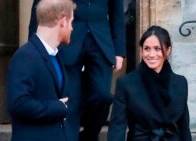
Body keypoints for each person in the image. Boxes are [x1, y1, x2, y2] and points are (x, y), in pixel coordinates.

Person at [28, 0, 126, 141]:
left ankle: (88, 136)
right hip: (67, 38)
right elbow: (40, 4)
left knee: (103, 96)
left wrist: (119, 50)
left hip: (101, 40)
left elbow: (117, 11)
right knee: (70, 101)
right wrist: (35, 46)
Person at [107, 26, 192, 141]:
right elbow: (117, 127)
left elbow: (184, 127)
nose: (151, 55)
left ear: (168, 50)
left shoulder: (180, 83)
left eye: (157, 49)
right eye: (147, 49)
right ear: (141, 50)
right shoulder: (126, 84)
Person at [7, 0, 76, 141]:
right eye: (71, 22)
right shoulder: (25, 56)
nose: (72, 28)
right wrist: (58, 107)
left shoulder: (56, 56)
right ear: (63, 22)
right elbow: (18, 104)